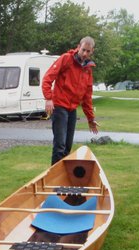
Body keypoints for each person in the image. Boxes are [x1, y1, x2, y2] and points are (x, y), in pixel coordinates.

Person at [42, 36, 99, 165]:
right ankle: (55, 180)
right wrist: (48, 98)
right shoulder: (66, 59)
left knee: (67, 146)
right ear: (78, 47)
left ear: (92, 52)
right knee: (60, 146)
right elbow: (47, 78)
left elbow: (87, 97)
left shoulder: (87, 70)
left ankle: (62, 177)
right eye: (83, 50)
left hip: (72, 109)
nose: (85, 54)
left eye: (88, 51)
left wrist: (91, 119)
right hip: (59, 107)